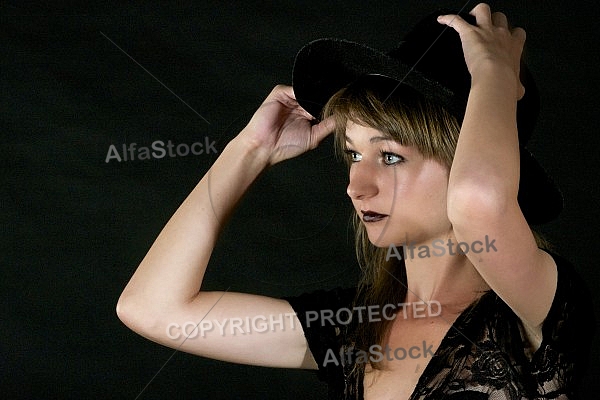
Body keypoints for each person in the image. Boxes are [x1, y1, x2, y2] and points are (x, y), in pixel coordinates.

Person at [117, 4, 593, 399]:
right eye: (352, 154)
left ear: (466, 158)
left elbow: (477, 203)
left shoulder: (538, 308)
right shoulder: (353, 330)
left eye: (389, 155)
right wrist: (250, 151)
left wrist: (493, 75)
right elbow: (152, 309)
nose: (356, 185)